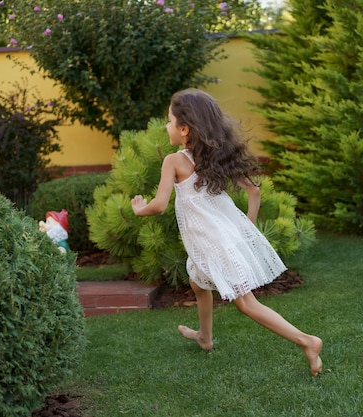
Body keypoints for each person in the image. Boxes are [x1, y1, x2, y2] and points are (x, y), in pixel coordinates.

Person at [131, 88, 323, 376]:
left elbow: (159, 206)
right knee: (198, 284)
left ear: (184, 129)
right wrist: (248, 225)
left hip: (213, 244)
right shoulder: (214, 158)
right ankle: (205, 338)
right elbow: (254, 191)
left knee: (245, 303)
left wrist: (139, 208)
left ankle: (307, 341)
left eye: (169, 121)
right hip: (213, 240)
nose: (165, 126)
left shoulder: (174, 161)